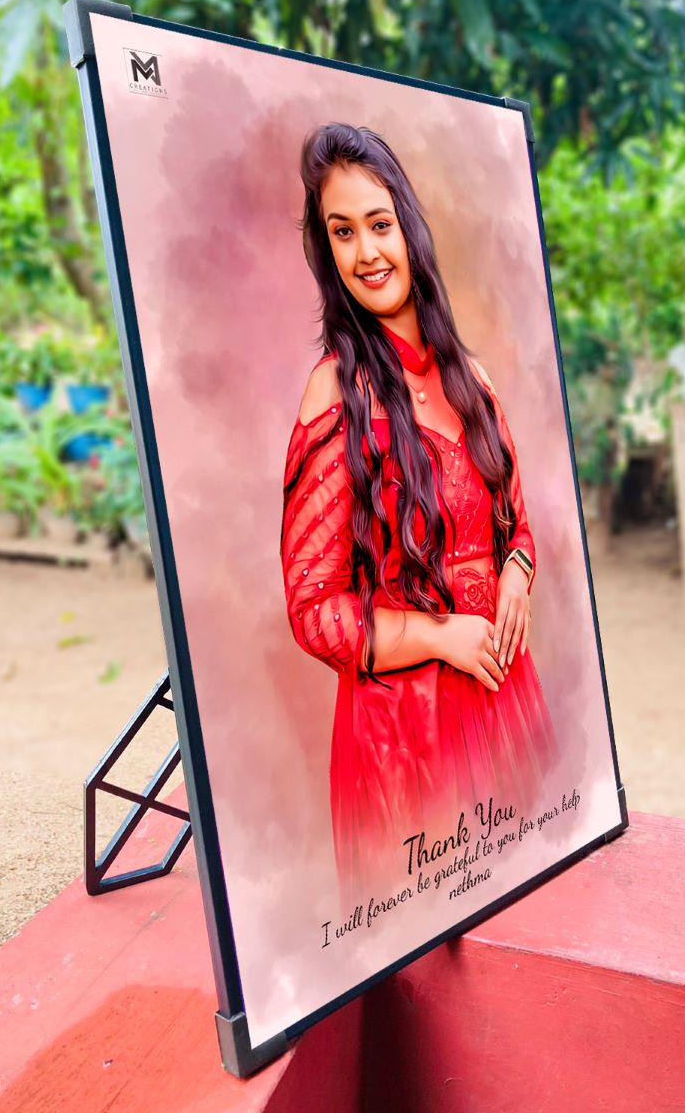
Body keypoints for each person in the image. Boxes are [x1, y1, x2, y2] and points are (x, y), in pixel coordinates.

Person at [281, 123, 556, 901]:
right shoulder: (335, 393)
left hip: (504, 699)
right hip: (407, 743)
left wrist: (515, 575)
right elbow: (314, 613)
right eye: (342, 232)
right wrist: (440, 635)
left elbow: (516, 526)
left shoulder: (471, 377)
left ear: (409, 227)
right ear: (326, 251)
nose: (367, 251)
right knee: (435, 955)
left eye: (379, 223)